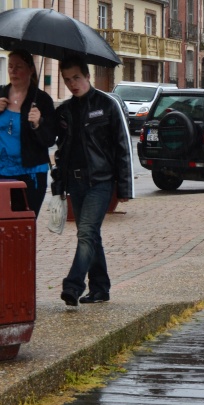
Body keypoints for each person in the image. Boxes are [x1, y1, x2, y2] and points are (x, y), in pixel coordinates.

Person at [51, 55, 133, 307]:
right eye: (67, 80)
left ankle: (73, 286)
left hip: (100, 181)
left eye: (76, 77)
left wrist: (124, 187)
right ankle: (100, 288)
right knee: (91, 234)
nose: (72, 84)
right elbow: (56, 147)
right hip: (74, 182)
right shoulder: (63, 111)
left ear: (88, 76)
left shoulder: (107, 105)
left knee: (86, 233)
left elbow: (123, 147)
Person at [0, 49, 57, 217]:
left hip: (30, 174)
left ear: (31, 69)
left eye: (18, 66)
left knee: (24, 225)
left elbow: (49, 140)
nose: (13, 71)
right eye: (10, 66)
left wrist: (39, 123)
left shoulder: (41, 100)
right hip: (2, 172)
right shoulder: (1, 94)